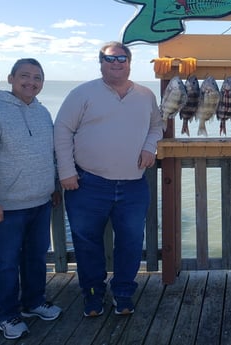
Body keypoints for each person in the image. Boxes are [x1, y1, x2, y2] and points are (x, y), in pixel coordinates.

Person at [54, 41, 164, 317]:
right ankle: (92, 294)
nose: (116, 63)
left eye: (121, 58)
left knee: (130, 242)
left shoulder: (145, 94)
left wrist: (150, 146)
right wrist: (66, 171)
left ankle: (124, 293)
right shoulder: (82, 93)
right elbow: (62, 131)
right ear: (100, 62)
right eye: (110, 58)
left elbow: (156, 125)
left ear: (129, 62)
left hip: (133, 185)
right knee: (86, 243)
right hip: (87, 184)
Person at [0, 58, 62, 340]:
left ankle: (33, 302)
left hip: (40, 202)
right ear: (11, 78)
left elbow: (50, 155)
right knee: (6, 263)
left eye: (37, 77)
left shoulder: (43, 113)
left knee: (36, 258)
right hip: (6, 207)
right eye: (25, 76)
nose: (31, 82)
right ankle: (6, 315)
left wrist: (53, 185)